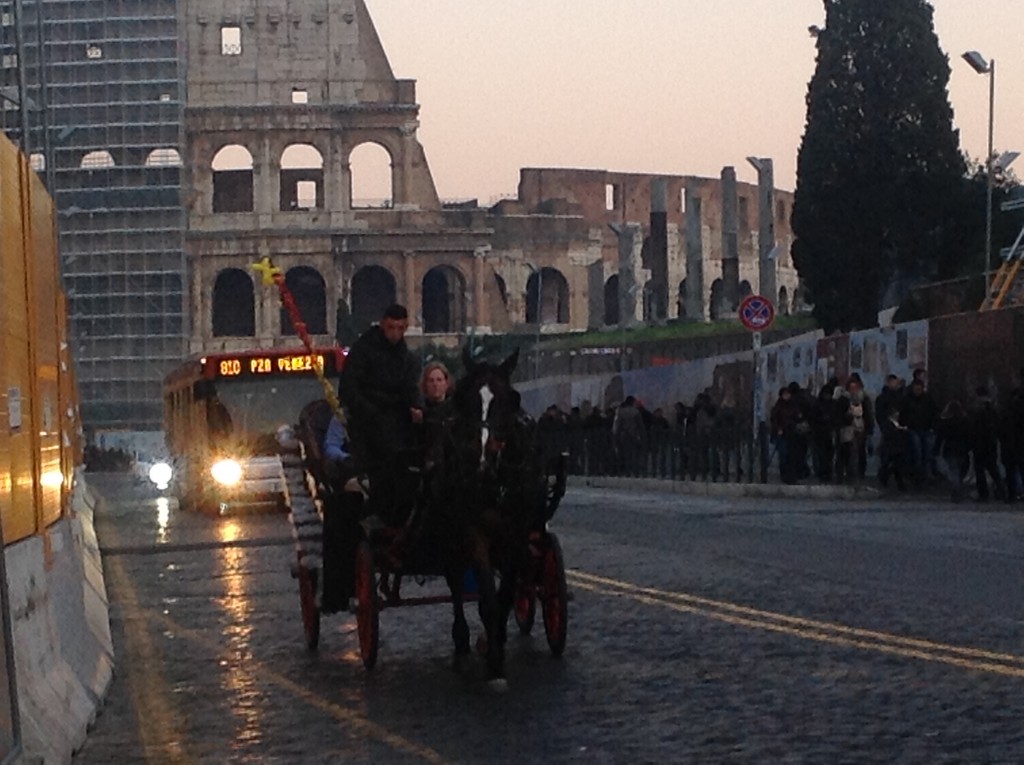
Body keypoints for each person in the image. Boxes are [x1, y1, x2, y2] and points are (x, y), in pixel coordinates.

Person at [338, 304, 422, 525]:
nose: (395, 333)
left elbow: (410, 387)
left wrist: (417, 406)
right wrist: (371, 411)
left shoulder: (406, 356)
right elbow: (349, 388)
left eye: (400, 328)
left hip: (398, 417)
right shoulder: (364, 349)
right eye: (391, 327)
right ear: (383, 324)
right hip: (369, 420)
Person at [968, 386, 1005, 502]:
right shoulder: (993, 408)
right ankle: (1001, 490)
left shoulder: (976, 408)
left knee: (979, 469)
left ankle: (983, 493)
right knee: (993, 468)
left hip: (979, 442)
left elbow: (973, 426)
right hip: (991, 442)